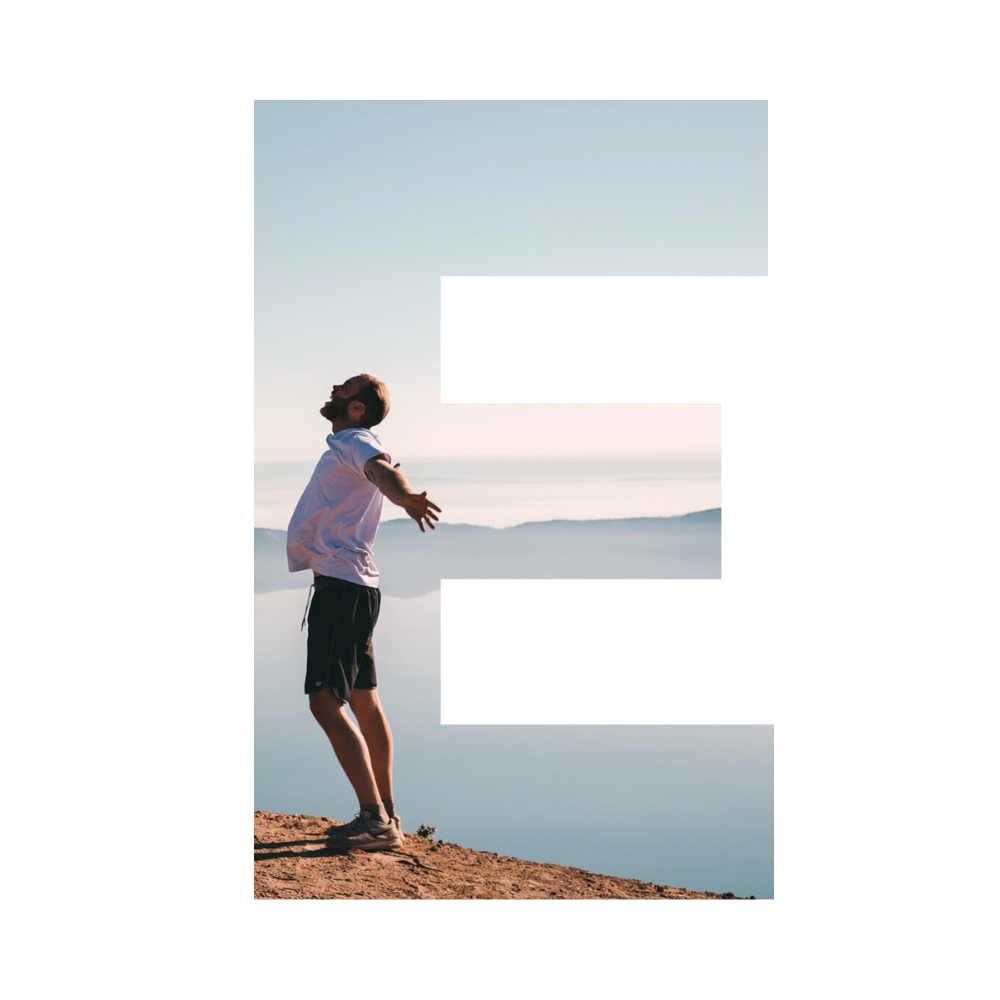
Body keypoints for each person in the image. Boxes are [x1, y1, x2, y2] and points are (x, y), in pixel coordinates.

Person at [286, 374, 441, 851]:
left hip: (341, 587)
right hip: (352, 585)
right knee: (362, 698)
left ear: (356, 408)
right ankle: (387, 813)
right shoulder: (348, 443)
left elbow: (383, 471)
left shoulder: (357, 441)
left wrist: (405, 497)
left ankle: (375, 821)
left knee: (324, 701)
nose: (333, 388)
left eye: (344, 388)